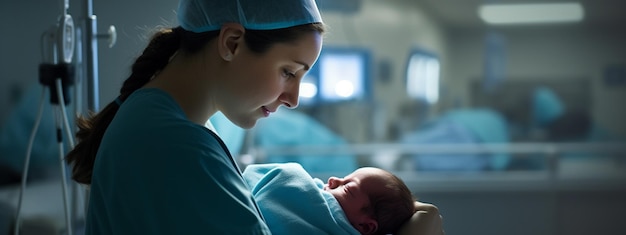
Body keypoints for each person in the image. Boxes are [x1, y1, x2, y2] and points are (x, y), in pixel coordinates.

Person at [63, 0, 444, 234]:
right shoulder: (175, 145)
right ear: (231, 43)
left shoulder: (166, 123)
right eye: (288, 72)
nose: (294, 98)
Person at [242, 162, 415, 235]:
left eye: (347, 188)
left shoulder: (293, 182)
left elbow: (249, 177)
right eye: (343, 177)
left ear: (366, 226)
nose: (333, 179)